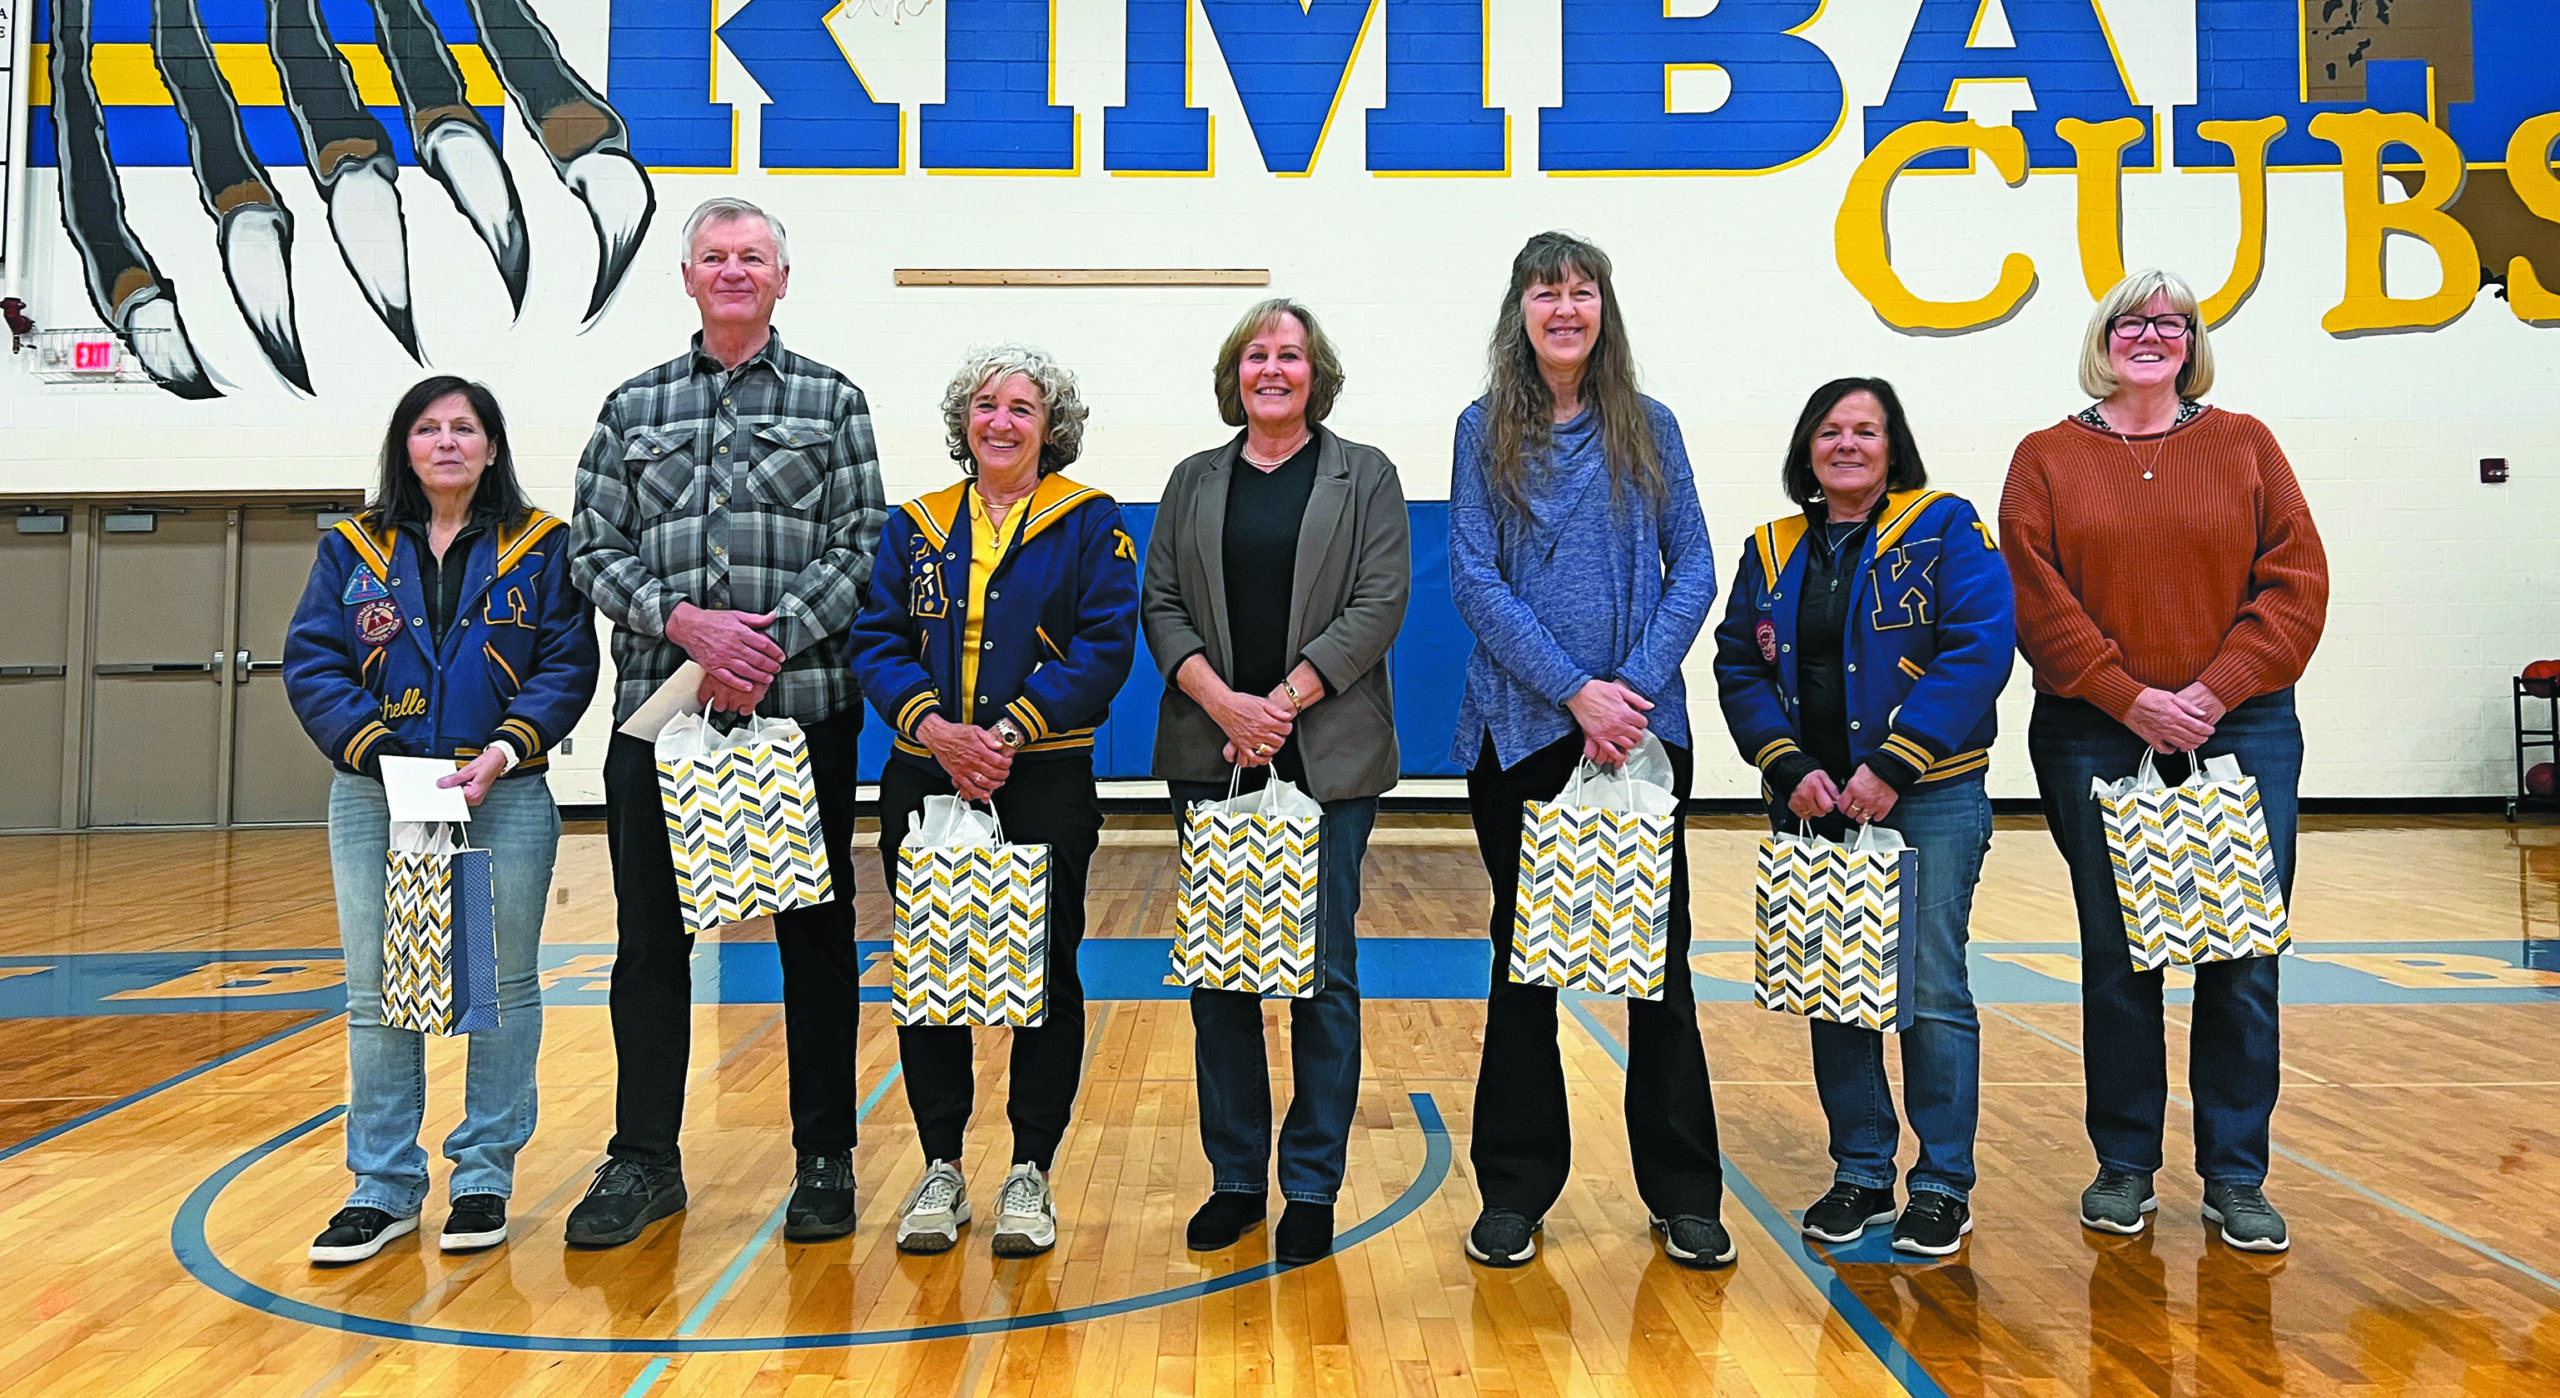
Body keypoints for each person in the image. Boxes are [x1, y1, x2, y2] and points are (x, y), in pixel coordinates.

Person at [565, 196, 888, 1248]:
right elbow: (592, 548)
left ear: (783, 279)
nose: (735, 271)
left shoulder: (835, 401)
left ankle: (825, 1158)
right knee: (651, 943)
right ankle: (644, 1158)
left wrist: (766, 645)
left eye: (754, 256)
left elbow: (860, 543)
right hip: (661, 723)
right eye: (716, 256)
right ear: (689, 277)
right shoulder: (632, 404)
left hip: (799, 717)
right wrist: (689, 626)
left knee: (815, 939)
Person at [2001, 269, 2328, 1254]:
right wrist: (2128, 696)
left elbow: (2295, 583)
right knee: (2118, 955)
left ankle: (2235, 1176)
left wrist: (2211, 693)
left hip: (2242, 728)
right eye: (2132, 321)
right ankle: (2124, 1165)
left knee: (2240, 958)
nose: (2152, 334)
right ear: (2102, 337)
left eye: (2171, 323)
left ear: (2191, 342)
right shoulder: (2046, 456)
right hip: (2092, 732)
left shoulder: (2244, 444)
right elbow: (2034, 593)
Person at [1450, 230, 1727, 1271]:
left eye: (1580, 291)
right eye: (1544, 290)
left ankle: (1683, 1192)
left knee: (1656, 967)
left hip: (1640, 739)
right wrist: (1572, 692)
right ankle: (1515, 1190)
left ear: (1603, 308)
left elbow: (1694, 564)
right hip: (1521, 734)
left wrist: (1629, 696)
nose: (1563, 308)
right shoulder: (1481, 432)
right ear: (1518, 308)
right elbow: (1474, 579)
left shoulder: (1648, 428)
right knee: (1525, 971)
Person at [284, 376, 599, 1264]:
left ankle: (484, 1177)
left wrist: (503, 749)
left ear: (493, 447)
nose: (448, 442)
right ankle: (380, 1188)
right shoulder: (352, 547)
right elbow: (313, 660)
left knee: (497, 988)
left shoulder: (544, 547)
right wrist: (377, 750)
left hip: (502, 789)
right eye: (429, 428)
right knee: (376, 992)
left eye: (466, 428)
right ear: (404, 446)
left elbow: (567, 663)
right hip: (377, 795)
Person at [1712, 377, 2016, 1257]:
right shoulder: (1770, 549)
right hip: (1811, 805)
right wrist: (1785, 764)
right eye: (1830, 430)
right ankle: (1860, 1174)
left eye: (1867, 430)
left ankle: (1942, 1185)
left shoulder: (1946, 525)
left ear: (1894, 446)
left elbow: (1980, 645)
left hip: (1929, 796)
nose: (1848, 444)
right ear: (1806, 448)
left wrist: (1895, 762)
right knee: (1835, 990)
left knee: (1928, 992)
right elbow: (1739, 667)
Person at [847, 345, 1138, 1257]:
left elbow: (1105, 644)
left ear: (1052, 428)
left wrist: (1005, 733)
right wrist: (938, 731)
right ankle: (940, 1165)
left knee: (1044, 973)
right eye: (985, 405)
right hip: (924, 772)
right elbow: (876, 637)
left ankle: (1030, 1169)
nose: (1001, 421)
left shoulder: (1092, 524)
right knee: (931, 975)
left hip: (1040, 776)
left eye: (1022, 408)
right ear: (962, 422)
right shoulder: (914, 525)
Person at [1142, 297, 1410, 1266]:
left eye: (1289, 355)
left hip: (1325, 756)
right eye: (1256, 354)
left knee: (1321, 977)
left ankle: (1309, 1185)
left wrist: (1280, 705)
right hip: (1212, 755)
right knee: (1221, 973)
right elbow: (1161, 603)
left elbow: (1380, 603)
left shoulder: (1364, 475)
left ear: (1316, 373)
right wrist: (1227, 706)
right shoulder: (1191, 480)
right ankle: (1234, 1178)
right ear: (1233, 373)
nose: (1271, 369)